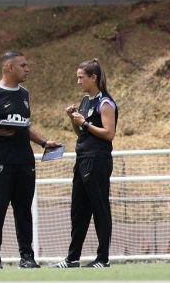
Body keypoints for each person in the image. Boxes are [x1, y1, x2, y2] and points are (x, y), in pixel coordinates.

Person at [0, 50, 61, 270]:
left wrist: (44, 142)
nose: (27, 69)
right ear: (9, 67)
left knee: (23, 210)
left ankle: (27, 257)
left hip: (24, 161)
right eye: (23, 65)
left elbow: (24, 127)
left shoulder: (24, 94)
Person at [53, 59, 117, 269]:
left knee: (100, 207)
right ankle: (72, 258)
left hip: (97, 160)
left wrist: (85, 123)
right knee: (78, 209)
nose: (78, 81)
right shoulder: (85, 101)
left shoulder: (105, 103)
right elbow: (81, 133)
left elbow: (109, 134)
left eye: (81, 77)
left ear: (93, 78)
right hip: (82, 159)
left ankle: (103, 258)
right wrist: (74, 119)